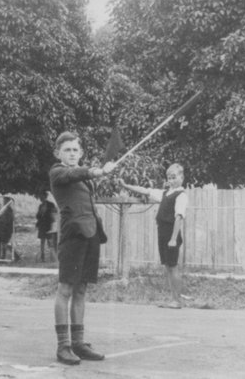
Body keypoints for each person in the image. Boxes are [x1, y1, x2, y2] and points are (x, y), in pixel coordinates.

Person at [50, 131, 116, 365]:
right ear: (58, 153)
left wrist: (97, 172)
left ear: (81, 153)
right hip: (72, 237)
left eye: (75, 150)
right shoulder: (57, 172)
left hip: (90, 235)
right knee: (65, 289)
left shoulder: (83, 176)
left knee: (81, 290)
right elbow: (74, 173)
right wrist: (97, 171)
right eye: (66, 150)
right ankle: (63, 346)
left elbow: (81, 174)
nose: (71, 154)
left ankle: (78, 343)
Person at [119, 163, 189, 309]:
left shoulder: (181, 195)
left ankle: (177, 300)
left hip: (171, 234)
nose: (171, 180)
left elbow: (179, 218)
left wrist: (173, 239)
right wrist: (126, 186)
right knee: (168, 267)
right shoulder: (164, 193)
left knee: (173, 266)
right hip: (162, 232)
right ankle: (173, 299)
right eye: (169, 177)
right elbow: (145, 190)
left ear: (181, 177)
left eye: (174, 177)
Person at [35, 191, 58, 262]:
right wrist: (40, 213)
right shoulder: (40, 206)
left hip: (49, 225)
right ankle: (42, 257)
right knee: (42, 242)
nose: (41, 198)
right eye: (40, 197)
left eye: (42, 197)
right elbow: (37, 216)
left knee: (50, 241)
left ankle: (53, 257)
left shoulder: (51, 205)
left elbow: (53, 215)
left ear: (45, 197)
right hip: (42, 225)